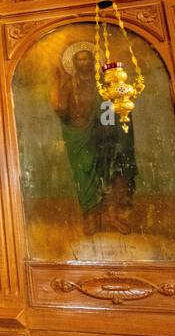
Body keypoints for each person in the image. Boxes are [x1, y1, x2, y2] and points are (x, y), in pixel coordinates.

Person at [52, 45, 137, 235]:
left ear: (93, 61)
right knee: (85, 177)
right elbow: (61, 110)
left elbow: (116, 107)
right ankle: (90, 218)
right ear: (74, 63)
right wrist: (57, 83)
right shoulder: (69, 85)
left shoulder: (105, 83)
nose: (84, 62)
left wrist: (112, 131)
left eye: (87, 59)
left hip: (104, 135)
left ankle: (111, 217)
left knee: (109, 173)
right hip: (80, 135)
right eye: (80, 59)